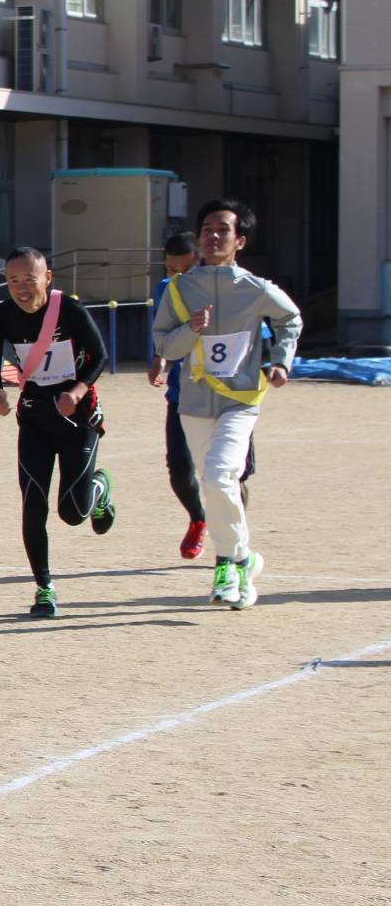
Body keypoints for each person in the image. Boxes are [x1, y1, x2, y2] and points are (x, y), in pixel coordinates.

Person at [150, 199, 301, 610]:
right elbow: (164, 344)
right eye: (207, 229)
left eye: (223, 230)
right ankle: (244, 558)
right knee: (215, 483)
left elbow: (291, 319)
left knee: (218, 477)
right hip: (195, 403)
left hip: (242, 399)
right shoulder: (180, 289)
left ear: (240, 241)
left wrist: (280, 360)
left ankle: (228, 562)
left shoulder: (255, 289)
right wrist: (190, 329)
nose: (213, 236)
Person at [0, 247, 116, 617]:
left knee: (72, 513)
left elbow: (99, 355)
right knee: (33, 504)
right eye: (13, 281)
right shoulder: (2, 316)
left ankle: (100, 488)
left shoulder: (69, 309)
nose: (21, 288)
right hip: (35, 418)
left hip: (78, 416)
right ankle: (44, 587)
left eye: (29, 279)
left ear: (48, 277)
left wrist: (76, 390)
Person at [149, 230, 256, 561]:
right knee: (179, 467)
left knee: (230, 475)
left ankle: (234, 544)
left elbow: (258, 335)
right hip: (186, 398)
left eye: (186, 267)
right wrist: (160, 361)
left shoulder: (237, 290)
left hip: (230, 398)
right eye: (171, 270)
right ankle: (199, 518)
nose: (179, 276)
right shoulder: (169, 291)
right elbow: (163, 335)